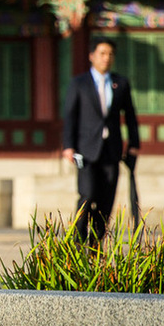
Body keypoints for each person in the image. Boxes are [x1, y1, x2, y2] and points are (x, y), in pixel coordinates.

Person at [62, 36, 140, 244]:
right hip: (83, 152)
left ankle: (96, 245)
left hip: (111, 150)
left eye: (110, 54)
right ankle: (77, 243)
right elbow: (70, 115)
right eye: (102, 53)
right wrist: (68, 146)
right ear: (92, 56)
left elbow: (130, 116)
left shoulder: (120, 83)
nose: (106, 58)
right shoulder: (79, 83)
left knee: (106, 201)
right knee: (86, 195)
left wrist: (134, 145)